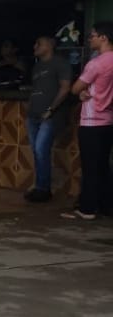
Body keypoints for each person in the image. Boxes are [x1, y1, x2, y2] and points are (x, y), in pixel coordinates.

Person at [65, 21, 113, 220]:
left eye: (93, 35)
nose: (90, 38)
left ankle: (87, 208)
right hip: (109, 121)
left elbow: (75, 88)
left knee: (90, 166)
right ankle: (106, 206)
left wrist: (82, 92)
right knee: (103, 165)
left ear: (104, 38)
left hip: (92, 120)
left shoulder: (97, 63)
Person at [24, 36, 72, 203]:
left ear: (50, 45)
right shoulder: (37, 66)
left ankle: (43, 189)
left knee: (40, 150)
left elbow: (66, 88)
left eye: (39, 43)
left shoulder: (61, 63)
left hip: (50, 116)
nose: (35, 46)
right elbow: (35, 89)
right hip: (33, 115)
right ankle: (39, 186)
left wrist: (51, 109)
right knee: (37, 152)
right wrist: (29, 108)